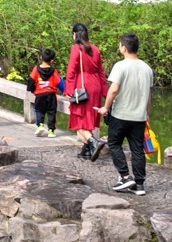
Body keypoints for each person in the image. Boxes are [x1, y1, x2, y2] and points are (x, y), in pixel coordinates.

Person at [100, 32, 153, 195]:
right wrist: (147, 113)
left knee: (114, 143)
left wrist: (105, 107)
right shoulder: (147, 68)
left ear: (123, 48)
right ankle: (139, 184)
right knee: (137, 149)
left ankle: (124, 176)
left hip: (121, 114)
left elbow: (114, 89)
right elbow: (149, 95)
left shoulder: (120, 66)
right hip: (139, 116)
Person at [61, 23, 104, 145]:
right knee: (89, 116)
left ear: (74, 35)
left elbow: (71, 70)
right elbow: (101, 71)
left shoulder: (76, 48)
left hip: (82, 84)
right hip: (96, 85)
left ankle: (93, 142)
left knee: (79, 119)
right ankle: (87, 149)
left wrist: (68, 90)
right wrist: (105, 91)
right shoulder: (95, 49)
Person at [29, 49, 61, 137]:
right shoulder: (54, 71)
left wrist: (32, 90)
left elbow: (31, 81)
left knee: (39, 110)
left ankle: (40, 125)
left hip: (39, 94)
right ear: (52, 60)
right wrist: (66, 91)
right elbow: (60, 83)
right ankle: (51, 131)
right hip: (51, 94)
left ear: (41, 57)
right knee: (51, 112)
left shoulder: (36, 69)